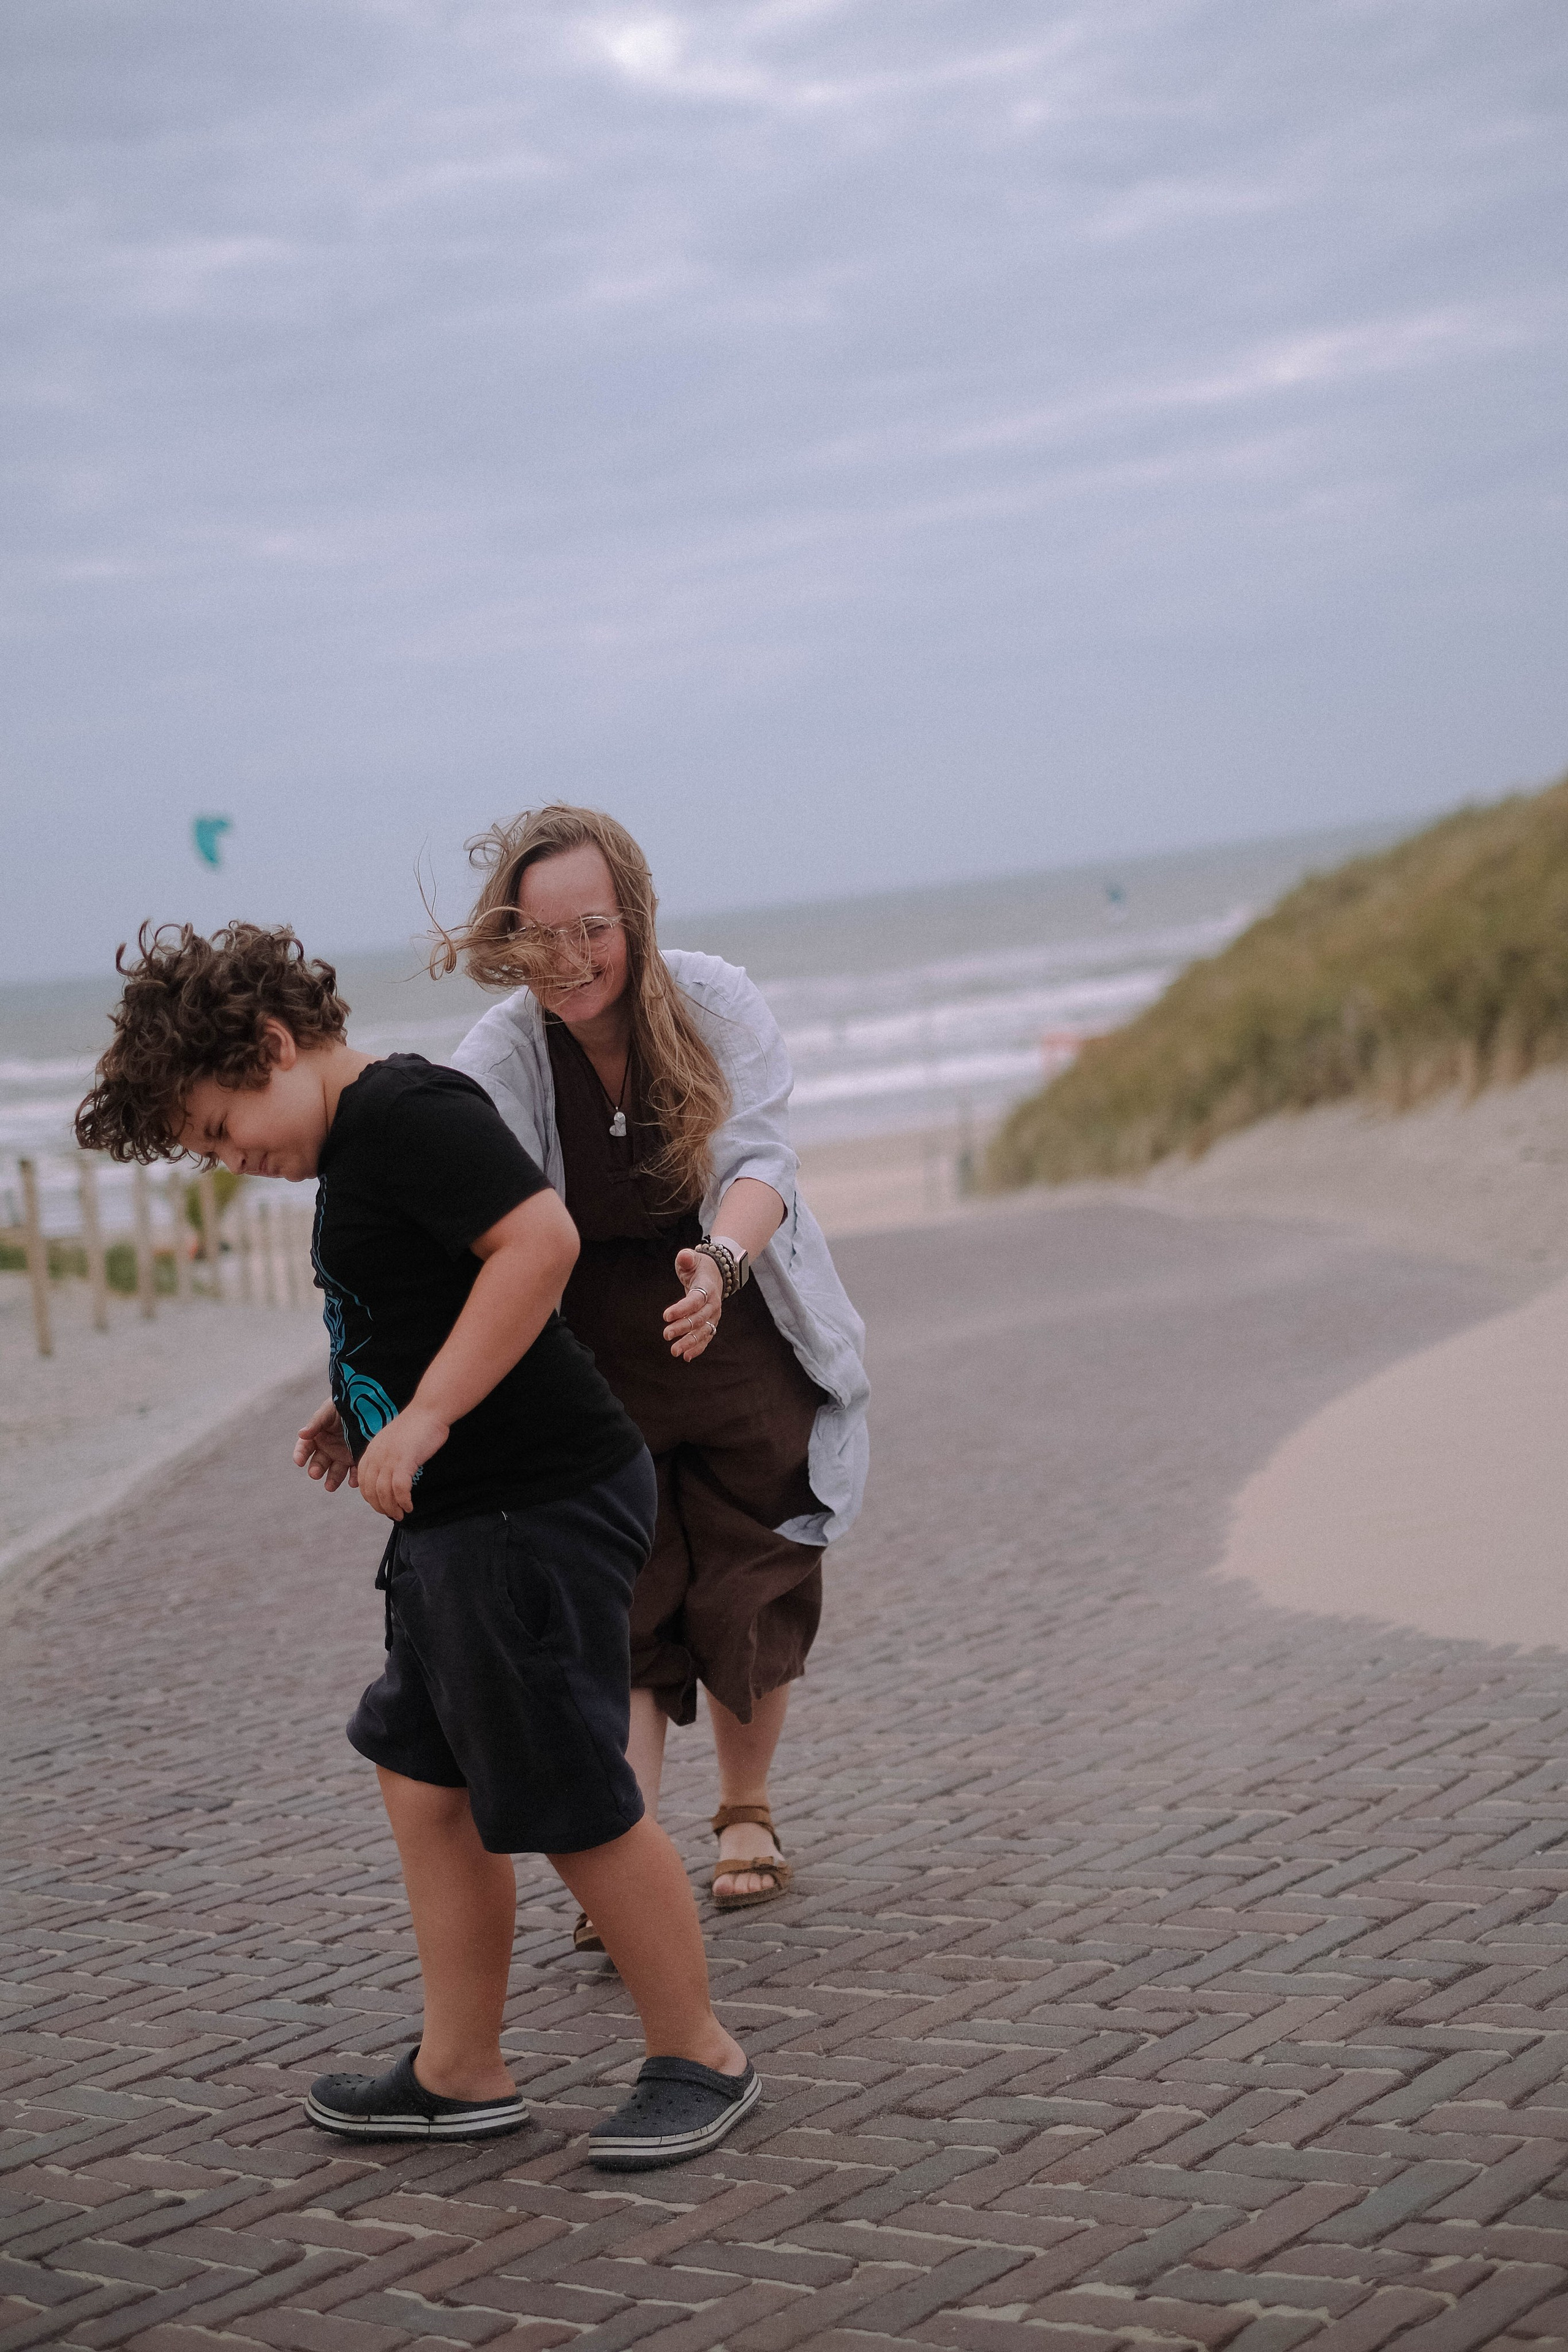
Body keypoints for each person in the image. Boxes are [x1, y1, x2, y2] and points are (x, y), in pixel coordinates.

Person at [74, 921, 760, 2169]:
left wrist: (430, 1413)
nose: (233, 1160)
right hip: (462, 1518)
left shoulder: (404, 1113)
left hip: (530, 1504)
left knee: (564, 1789)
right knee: (425, 1780)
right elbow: (431, 1302)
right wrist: (366, 1411)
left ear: (273, 1043)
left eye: (226, 1127)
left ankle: (696, 2050)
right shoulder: (360, 1149)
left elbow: (537, 1243)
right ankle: (460, 2070)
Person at [439, 805, 869, 1949]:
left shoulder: (714, 1000)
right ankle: (627, 1856)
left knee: (755, 1573)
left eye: (593, 927)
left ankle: (745, 1810)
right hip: (588, 1366)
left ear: (632, 913)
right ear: (507, 938)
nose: (572, 959)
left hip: (729, 1321)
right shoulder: (499, 1058)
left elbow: (762, 1161)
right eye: (541, 935)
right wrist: (376, 1388)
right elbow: (459, 1233)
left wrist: (720, 1265)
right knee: (616, 1611)